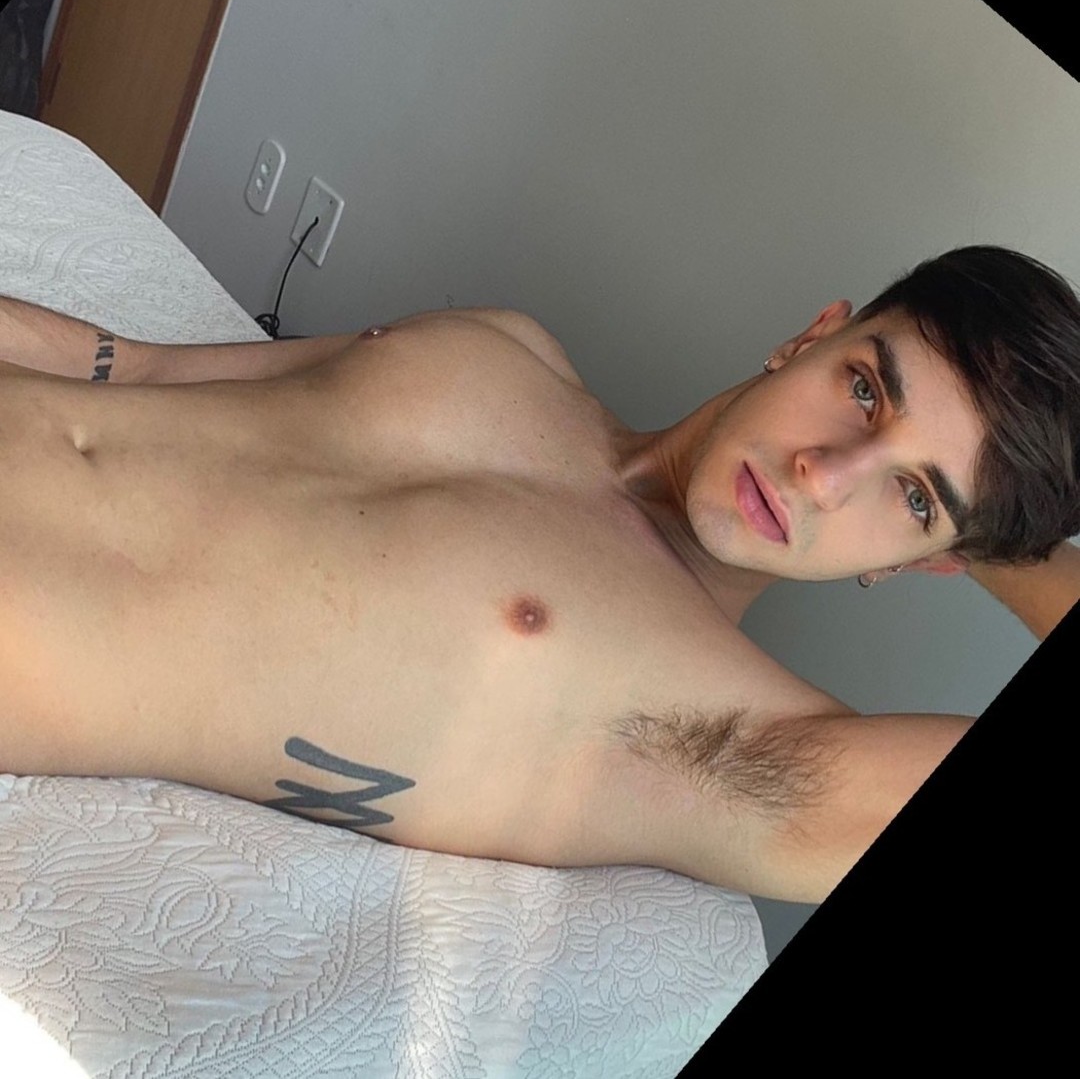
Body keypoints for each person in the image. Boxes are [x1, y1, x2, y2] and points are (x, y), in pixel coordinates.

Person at [0, 244, 1076, 904]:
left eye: (914, 497)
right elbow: (136, 367)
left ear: (936, 560)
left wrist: (1004, 544)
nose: (827, 475)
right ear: (810, 338)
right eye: (865, 391)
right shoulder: (504, 346)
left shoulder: (721, 733)